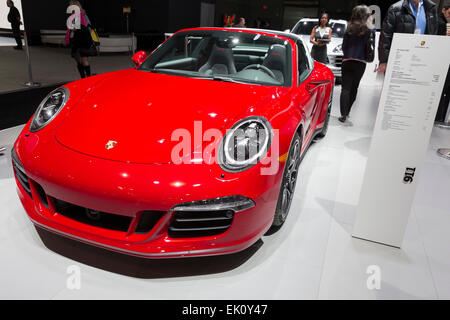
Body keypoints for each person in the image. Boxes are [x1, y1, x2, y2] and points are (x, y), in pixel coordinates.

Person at [376, 0, 438, 74]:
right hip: (400, 57)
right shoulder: (396, 8)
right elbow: (386, 36)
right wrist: (384, 61)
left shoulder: (431, 8)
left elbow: (433, 33)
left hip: (421, 57)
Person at [339, 5, 376, 123]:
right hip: (360, 62)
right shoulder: (370, 29)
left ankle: (343, 114)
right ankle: (348, 111)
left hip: (347, 61)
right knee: (354, 88)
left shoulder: (348, 27)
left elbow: (344, 46)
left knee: (345, 88)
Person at [65, 0, 94, 78]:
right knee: (78, 60)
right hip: (76, 40)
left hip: (83, 40)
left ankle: (87, 78)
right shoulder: (72, 16)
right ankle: (83, 78)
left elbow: (88, 28)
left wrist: (78, 29)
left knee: (83, 60)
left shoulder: (83, 15)